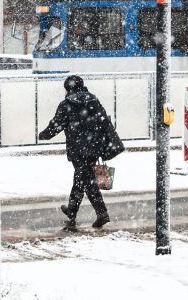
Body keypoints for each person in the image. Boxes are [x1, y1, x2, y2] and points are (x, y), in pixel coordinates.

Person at [38, 75, 125, 229]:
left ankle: (92, 215)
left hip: (78, 150)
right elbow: (104, 121)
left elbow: (56, 125)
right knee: (83, 179)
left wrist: (43, 135)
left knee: (84, 180)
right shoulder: (94, 101)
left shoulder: (66, 104)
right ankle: (78, 211)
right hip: (94, 148)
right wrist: (109, 143)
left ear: (69, 88)